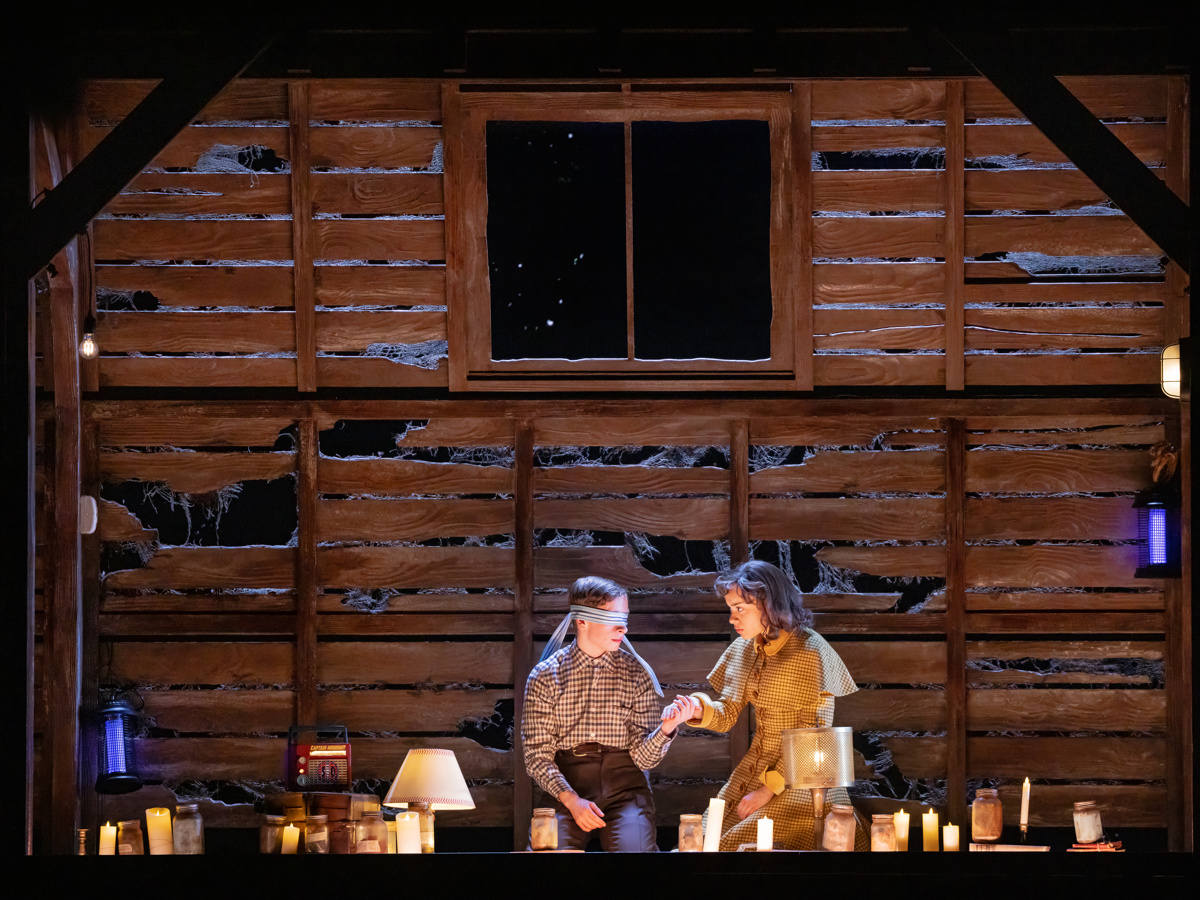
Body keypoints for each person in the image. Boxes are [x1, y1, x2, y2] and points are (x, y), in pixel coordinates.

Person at [683, 560, 865, 851]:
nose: (732, 618)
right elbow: (727, 712)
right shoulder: (746, 647)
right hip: (753, 768)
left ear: (767, 603)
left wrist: (767, 790)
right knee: (702, 840)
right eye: (730, 609)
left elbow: (814, 734)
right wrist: (698, 710)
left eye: (739, 608)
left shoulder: (810, 651)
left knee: (737, 844)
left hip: (802, 778)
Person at [522, 575, 698, 852]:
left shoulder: (636, 673)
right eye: (612, 618)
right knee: (549, 855)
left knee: (634, 857)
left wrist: (666, 729)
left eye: (624, 618)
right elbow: (536, 756)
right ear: (582, 620)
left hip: (625, 789)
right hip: (566, 788)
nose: (623, 628)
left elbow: (644, 758)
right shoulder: (545, 676)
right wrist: (571, 800)